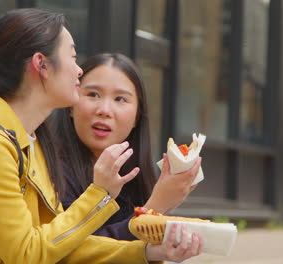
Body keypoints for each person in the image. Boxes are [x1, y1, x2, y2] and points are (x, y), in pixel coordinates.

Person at [0, 9, 202, 263]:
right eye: (73, 56)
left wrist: (146, 252)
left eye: (121, 100)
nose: (79, 70)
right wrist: (101, 194)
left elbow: (58, 245)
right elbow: (28, 255)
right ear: (41, 65)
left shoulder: (31, 144)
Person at [51, 53, 201, 241]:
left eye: (120, 99)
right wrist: (155, 207)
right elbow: (73, 249)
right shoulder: (49, 168)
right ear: (71, 106)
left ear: (137, 117)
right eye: (93, 95)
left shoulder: (136, 174)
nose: (104, 110)